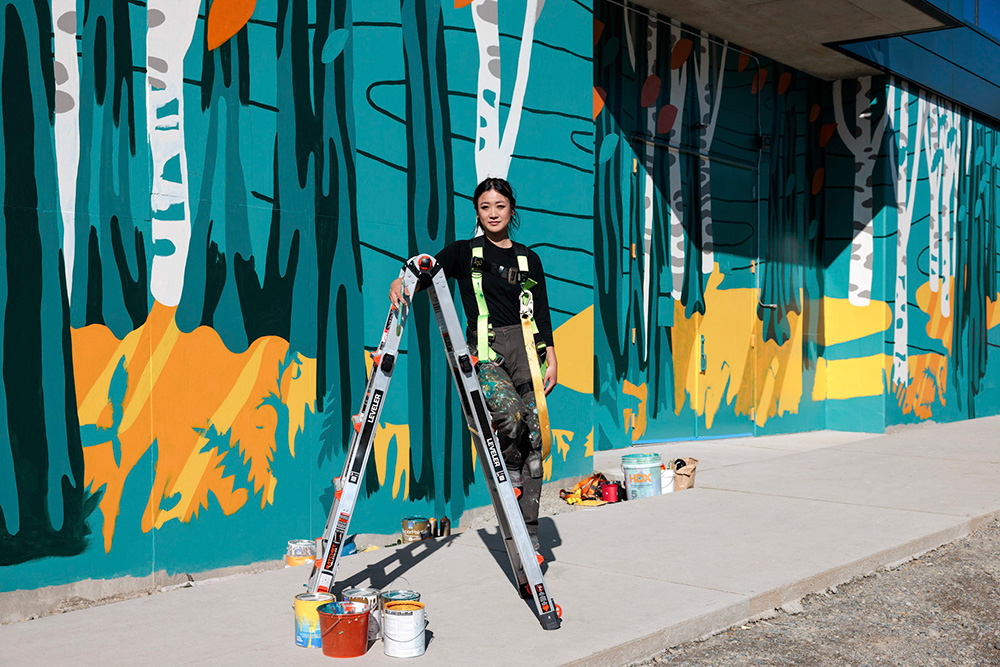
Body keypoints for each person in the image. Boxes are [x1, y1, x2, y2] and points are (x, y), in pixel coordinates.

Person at [389, 177, 557, 557]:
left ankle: (529, 535)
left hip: (529, 354)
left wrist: (552, 356)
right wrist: (400, 281)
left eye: (500, 205)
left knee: (537, 445)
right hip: (487, 353)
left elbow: (542, 312)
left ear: (511, 209)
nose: (493, 213)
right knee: (512, 419)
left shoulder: (529, 259)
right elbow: (426, 268)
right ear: (477, 212)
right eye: (485, 206)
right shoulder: (465, 252)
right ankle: (509, 471)